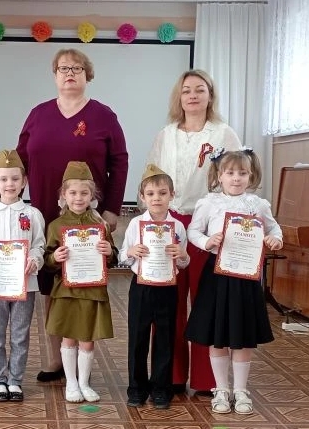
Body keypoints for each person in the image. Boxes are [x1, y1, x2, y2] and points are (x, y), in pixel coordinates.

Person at [17, 48, 129, 381]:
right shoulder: (38, 114)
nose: (70, 73)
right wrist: (16, 208)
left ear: (87, 75)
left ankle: (82, 360)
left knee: (82, 284)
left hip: (87, 217)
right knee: (52, 284)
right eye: (63, 68)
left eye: (77, 68)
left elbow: (119, 162)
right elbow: (20, 161)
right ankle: (57, 359)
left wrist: (111, 209)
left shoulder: (103, 116)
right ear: (55, 75)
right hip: (45, 214)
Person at [145, 69, 242, 394]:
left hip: (208, 224)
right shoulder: (166, 134)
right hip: (169, 222)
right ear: (179, 96)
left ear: (210, 95)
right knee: (168, 300)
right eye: (186, 90)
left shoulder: (224, 133)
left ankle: (206, 379)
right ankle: (170, 375)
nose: (193, 95)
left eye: (200, 89)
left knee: (205, 300)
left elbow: (235, 178)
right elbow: (152, 179)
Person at [185, 148, 282, 415]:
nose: (236, 178)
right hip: (217, 276)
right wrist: (207, 241)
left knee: (242, 335)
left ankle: (240, 390)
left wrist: (275, 239)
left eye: (242, 173)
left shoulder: (258, 205)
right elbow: (193, 230)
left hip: (246, 278)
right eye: (230, 173)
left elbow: (274, 228)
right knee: (218, 335)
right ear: (219, 175)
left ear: (251, 176)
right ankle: (221, 389)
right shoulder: (209, 203)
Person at [0, 150, 45, 402]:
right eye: (3, 179)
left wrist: (35, 259)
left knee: (20, 334)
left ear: (24, 181)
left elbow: (39, 245)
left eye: (15, 179)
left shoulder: (32, 215)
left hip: (25, 284)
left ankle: (15, 380)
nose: (9, 184)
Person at [43, 162, 118, 403]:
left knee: (87, 340)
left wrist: (110, 252)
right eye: (73, 193)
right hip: (67, 291)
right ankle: (71, 383)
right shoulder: (56, 226)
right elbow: (47, 259)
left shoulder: (100, 225)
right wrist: (55, 258)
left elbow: (113, 257)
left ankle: (84, 383)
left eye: (84, 193)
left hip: (92, 291)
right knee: (69, 338)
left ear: (92, 195)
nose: (78, 198)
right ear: (64, 195)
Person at [119, 164, 190, 409]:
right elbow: (123, 256)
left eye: (162, 193)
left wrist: (182, 254)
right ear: (142, 197)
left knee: (165, 338)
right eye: (150, 193)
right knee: (137, 337)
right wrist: (131, 251)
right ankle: (136, 388)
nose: (156, 198)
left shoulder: (177, 226)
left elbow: (185, 261)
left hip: (168, 287)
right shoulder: (135, 224)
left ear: (172, 195)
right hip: (141, 287)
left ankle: (161, 388)